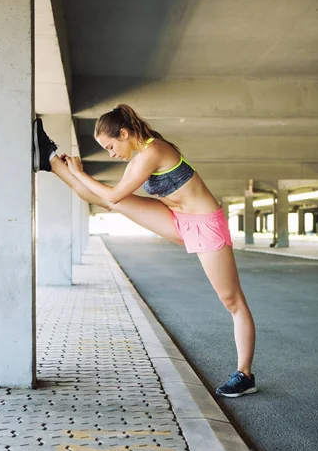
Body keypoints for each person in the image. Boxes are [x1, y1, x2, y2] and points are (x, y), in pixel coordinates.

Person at [33, 105, 257, 398]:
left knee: (232, 301)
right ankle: (49, 159)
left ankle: (245, 374)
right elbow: (107, 197)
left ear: (124, 133)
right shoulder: (139, 158)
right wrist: (76, 173)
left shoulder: (154, 151)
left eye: (111, 146)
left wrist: (80, 171)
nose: (111, 153)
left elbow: (113, 193)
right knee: (104, 200)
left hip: (205, 226)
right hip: (178, 220)